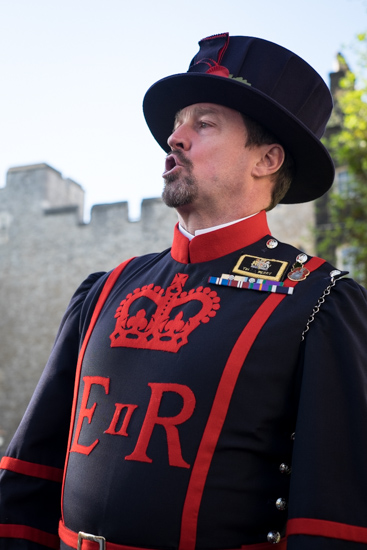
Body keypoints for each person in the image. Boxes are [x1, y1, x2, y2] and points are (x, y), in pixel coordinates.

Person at [0, 32, 367, 550]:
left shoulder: (318, 302)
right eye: (176, 125)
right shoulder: (104, 292)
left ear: (266, 160)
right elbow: (29, 474)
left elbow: (334, 520)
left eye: (204, 123)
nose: (175, 138)